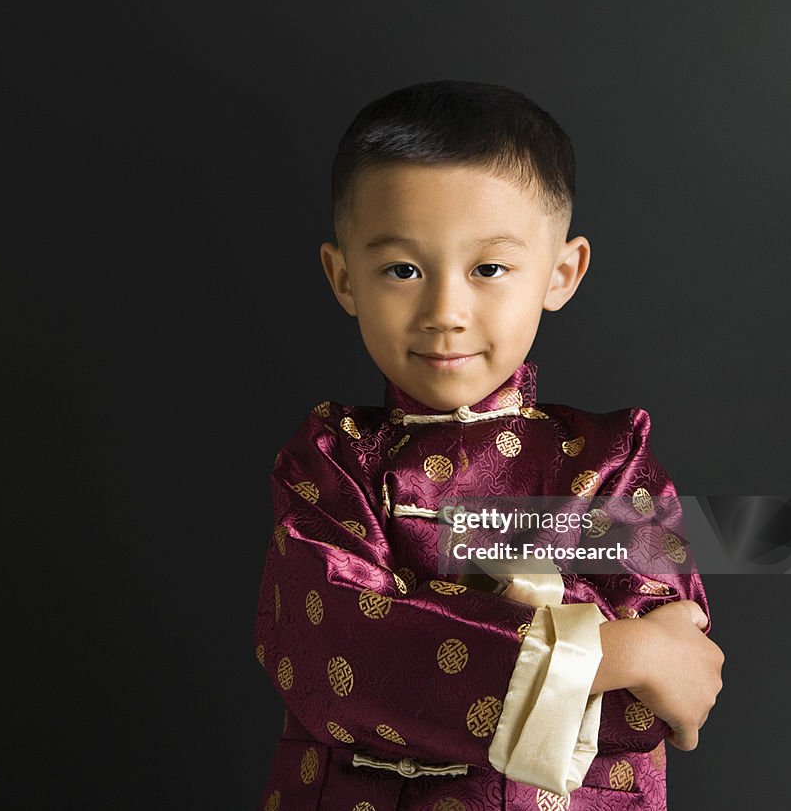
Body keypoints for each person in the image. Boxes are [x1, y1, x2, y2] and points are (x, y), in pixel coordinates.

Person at [252, 80, 723, 811]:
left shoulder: (604, 459)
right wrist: (615, 649)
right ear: (344, 278)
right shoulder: (329, 462)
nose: (444, 311)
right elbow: (342, 655)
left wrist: (427, 602)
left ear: (560, 273)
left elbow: (658, 699)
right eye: (402, 269)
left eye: (489, 269)